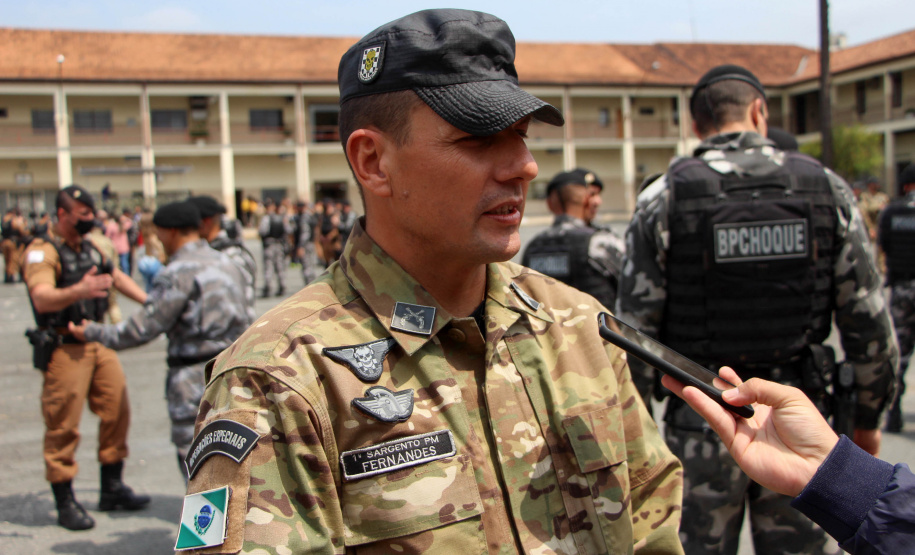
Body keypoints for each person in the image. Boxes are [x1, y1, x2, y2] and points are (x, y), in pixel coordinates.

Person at [175, 9, 683, 554]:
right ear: (373, 162)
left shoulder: (578, 327)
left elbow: (652, 521)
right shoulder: (281, 379)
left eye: (520, 135)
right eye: (480, 139)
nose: (525, 165)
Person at [616, 64, 899, 555]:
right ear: (759, 111)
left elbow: (634, 334)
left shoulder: (663, 198)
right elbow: (869, 324)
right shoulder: (826, 188)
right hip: (800, 419)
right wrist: (868, 419)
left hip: (701, 421)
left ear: (696, 125)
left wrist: (632, 442)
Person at [69, 201, 249, 479]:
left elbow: (140, 329)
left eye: (159, 233)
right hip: (233, 373)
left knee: (196, 461)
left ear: (171, 232)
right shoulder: (230, 262)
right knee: (233, 456)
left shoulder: (177, 272)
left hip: (192, 381)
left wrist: (91, 332)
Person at [661, 367, 914, 555]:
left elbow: (641, 319)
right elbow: (867, 327)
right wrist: (867, 423)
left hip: (703, 429)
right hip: (775, 415)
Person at [22, 184, 150, 531]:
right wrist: (79, 290)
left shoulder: (91, 246)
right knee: (63, 423)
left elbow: (116, 277)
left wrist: (151, 304)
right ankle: (64, 500)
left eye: (91, 214)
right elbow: (42, 298)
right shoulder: (42, 251)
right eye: (82, 216)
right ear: (62, 214)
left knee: (117, 409)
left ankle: (112, 487)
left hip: (97, 341)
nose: (89, 220)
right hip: (65, 346)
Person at [522, 169, 625, 309]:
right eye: (593, 194)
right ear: (585, 199)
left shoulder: (533, 247)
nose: (598, 201)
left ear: (550, 204)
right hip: (595, 329)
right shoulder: (599, 241)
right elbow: (632, 286)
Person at [878, 163, 915, 432]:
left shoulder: (891, 212)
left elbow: (884, 245)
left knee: (899, 353)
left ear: (905, 186)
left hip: (902, 290)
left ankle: (894, 413)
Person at [188, 195, 257, 326]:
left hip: (229, 341)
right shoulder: (203, 252)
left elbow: (239, 307)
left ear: (205, 223)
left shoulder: (232, 256)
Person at [257, 197, 291, 297]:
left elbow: (263, 231)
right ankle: (282, 286)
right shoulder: (282, 218)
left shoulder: (266, 218)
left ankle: (268, 287)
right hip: (279, 245)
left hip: (269, 245)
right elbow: (288, 230)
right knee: (280, 267)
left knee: (269, 267)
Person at [859, 175, 889, 242]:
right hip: (869, 227)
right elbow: (863, 211)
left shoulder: (882, 196)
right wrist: (870, 228)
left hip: (881, 227)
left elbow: (887, 209)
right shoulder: (864, 196)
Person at [2, 207, 27, 283]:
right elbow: (21, 230)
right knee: (13, 260)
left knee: (7, 260)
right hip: (13, 242)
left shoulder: (4, 219)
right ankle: (10, 276)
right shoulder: (14, 220)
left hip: (4, 242)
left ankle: (7, 276)